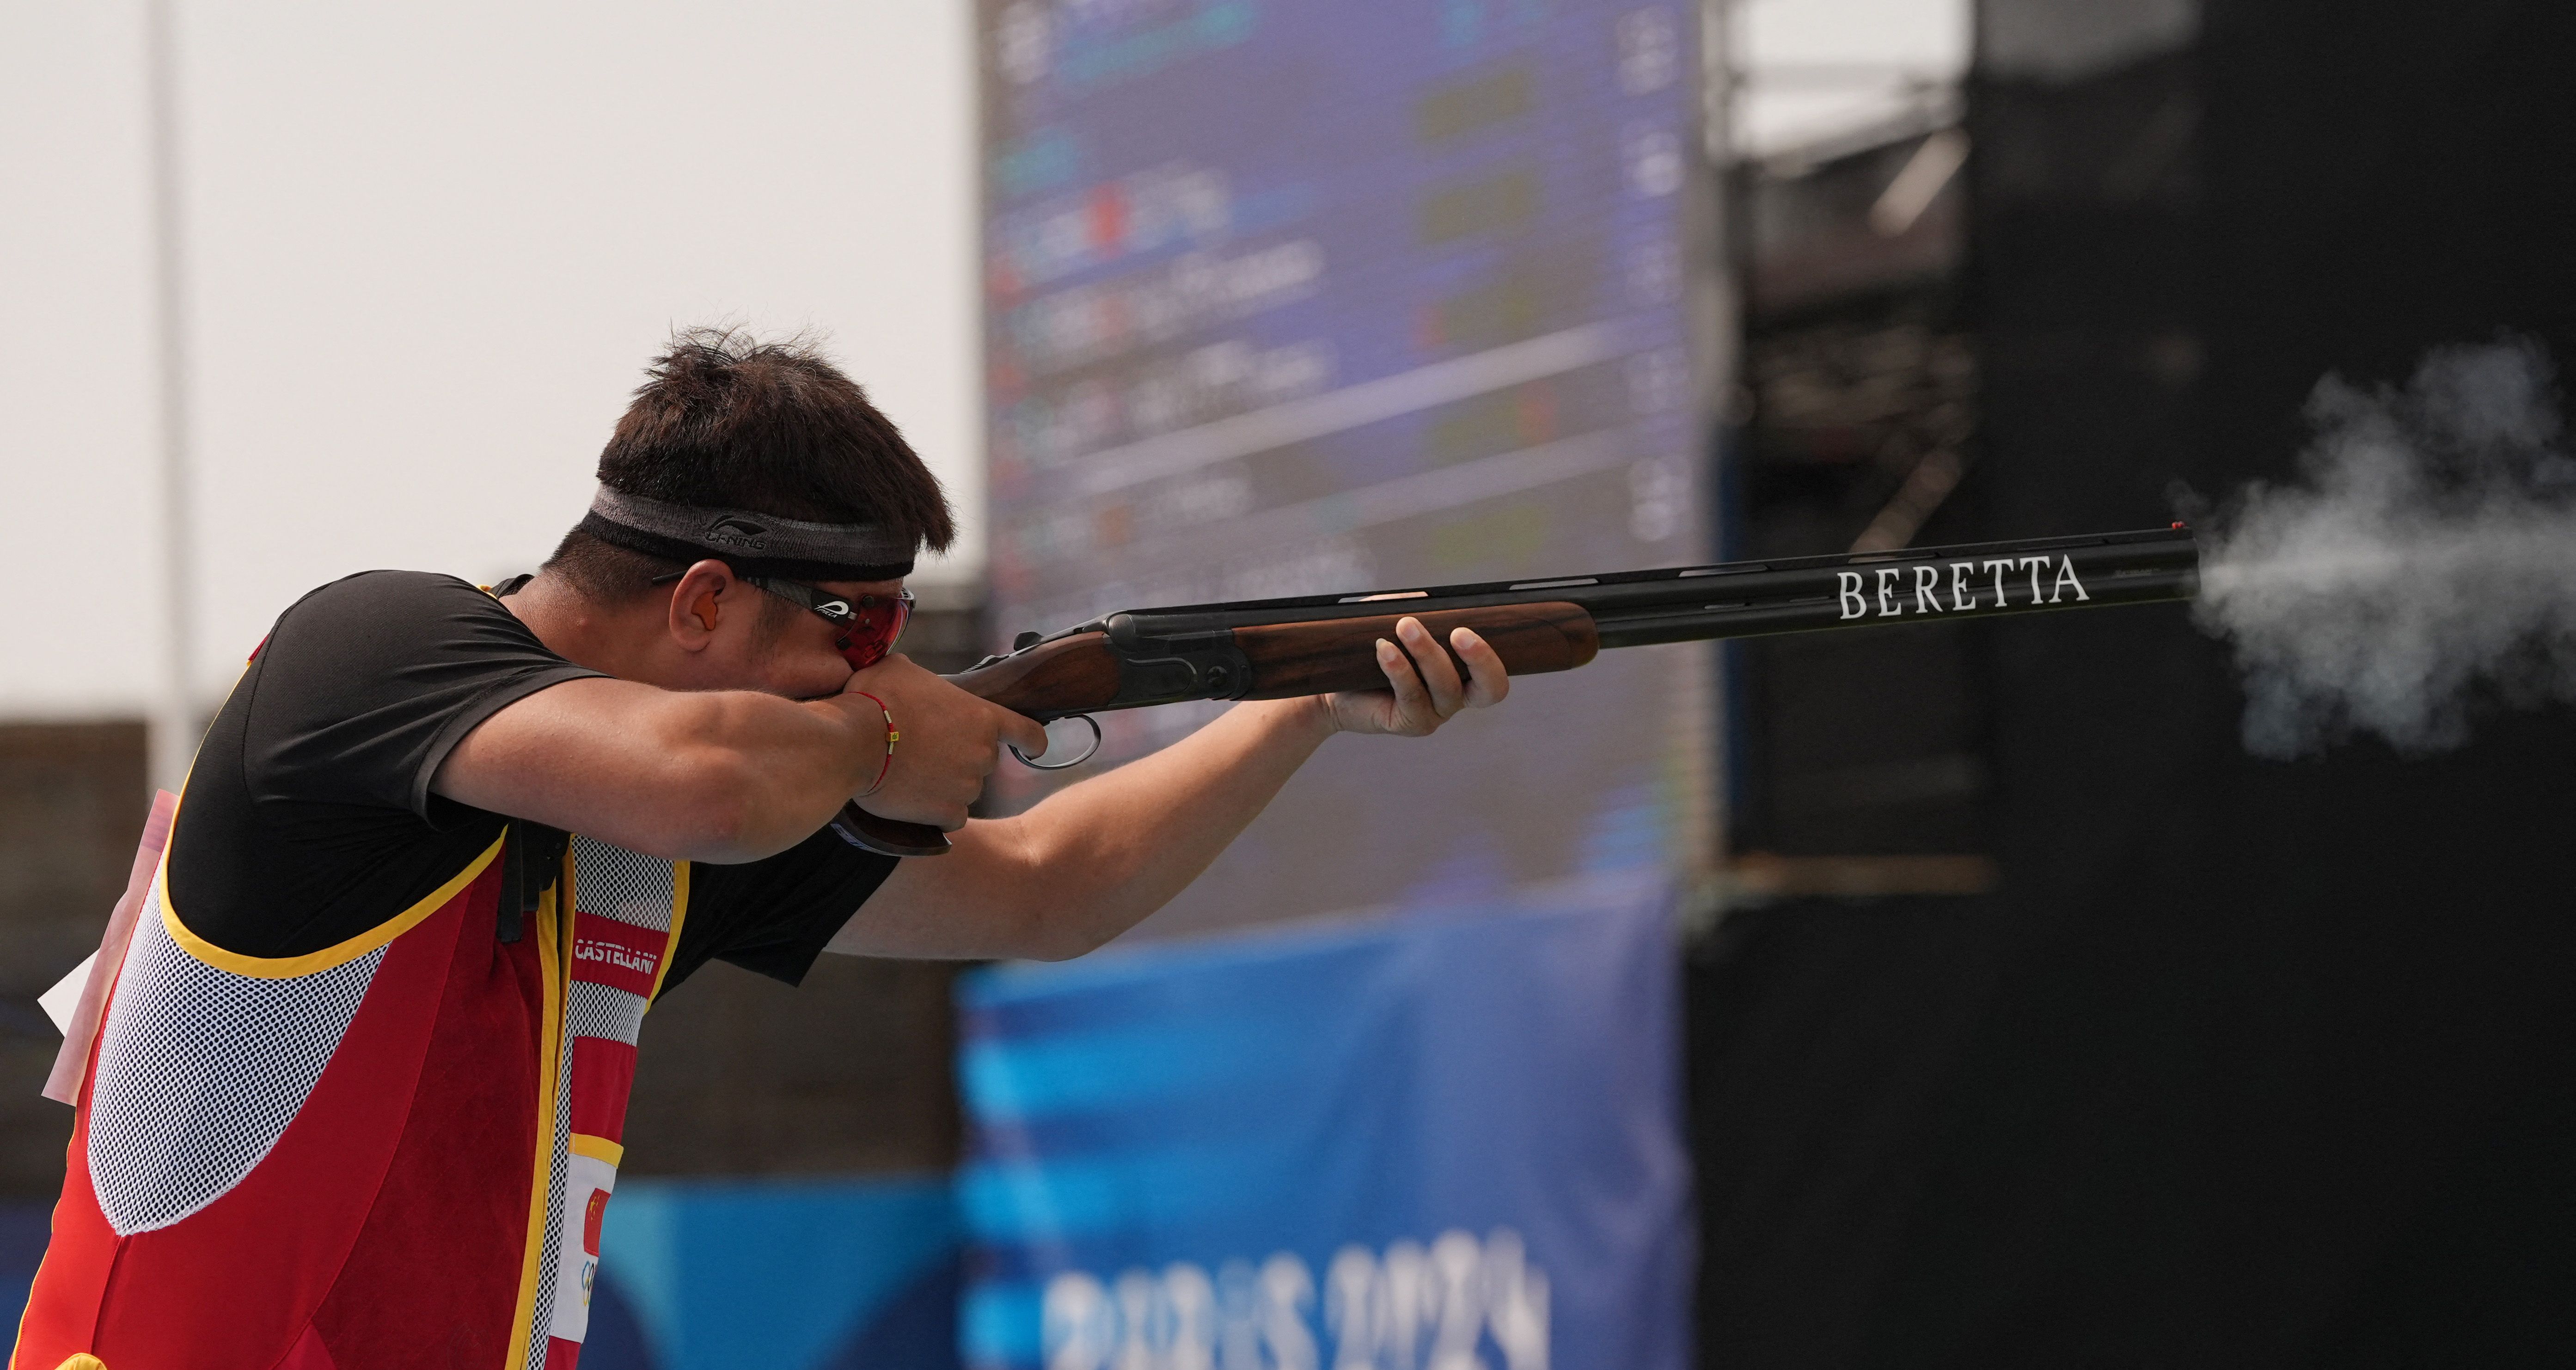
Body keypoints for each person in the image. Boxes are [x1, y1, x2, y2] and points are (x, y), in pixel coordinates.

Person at [12, 330, 1512, 1370]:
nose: (872, 676)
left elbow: (1053, 889)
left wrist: (1305, 710)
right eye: (852, 633)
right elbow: (714, 782)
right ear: (701, 601)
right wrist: (880, 742)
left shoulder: (641, 839)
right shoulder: (368, 649)